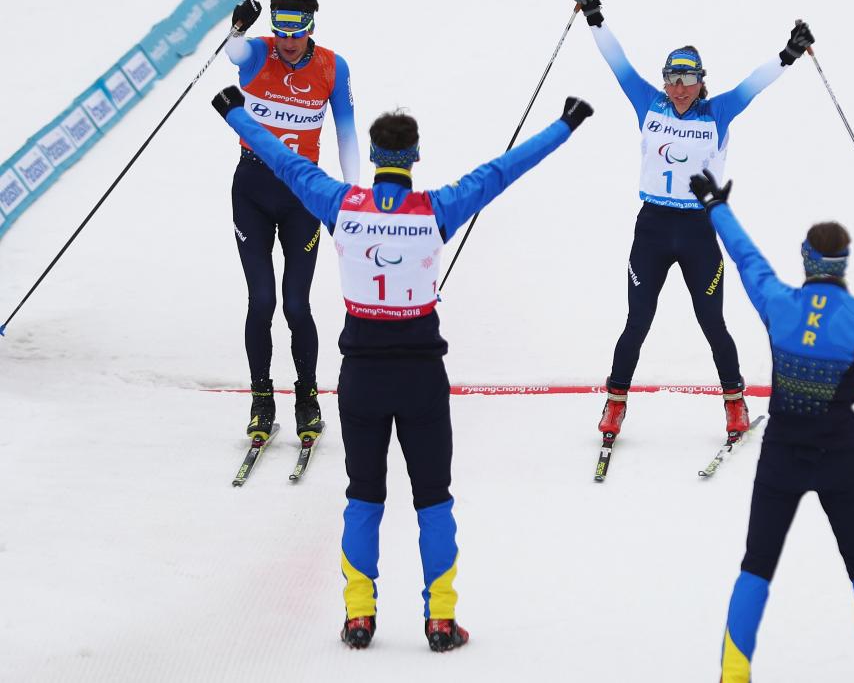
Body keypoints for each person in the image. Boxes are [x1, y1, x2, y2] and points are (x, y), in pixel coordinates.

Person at [211, 84, 593, 651]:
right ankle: (440, 619)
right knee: (433, 497)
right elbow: (502, 171)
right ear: (414, 157)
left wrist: (236, 113)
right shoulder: (436, 208)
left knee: (364, 495)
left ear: (372, 157)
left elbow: (283, 160)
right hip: (421, 379)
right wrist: (564, 126)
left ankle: (358, 617)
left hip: (361, 377)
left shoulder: (341, 204)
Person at [571, 0, 815, 440]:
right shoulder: (649, 103)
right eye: (672, 78)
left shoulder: (717, 112)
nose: (679, 88)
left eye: (687, 79)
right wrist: (594, 15)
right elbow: (616, 62)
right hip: (654, 227)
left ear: (702, 82)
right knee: (637, 321)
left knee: (711, 322)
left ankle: (735, 403)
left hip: (700, 230)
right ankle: (615, 404)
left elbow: (753, 86)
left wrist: (788, 55)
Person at [690, 171, 854, 683]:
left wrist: (717, 207)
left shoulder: (778, 304)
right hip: (840, 457)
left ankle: (734, 674)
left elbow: (746, 257)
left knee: (757, 563)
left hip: (782, 454)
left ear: (805, 260)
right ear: (843, 264)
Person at [225, 0, 360, 441]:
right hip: (253, 188)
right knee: (261, 301)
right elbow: (233, 53)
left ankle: (307, 395)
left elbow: (346, 136)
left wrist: (351, 196)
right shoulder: (257, 53)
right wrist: (237, 27)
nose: (286, 39)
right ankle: (261, 397)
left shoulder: (331, 67)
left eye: (295, 30)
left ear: (310, 28)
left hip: (304, 193)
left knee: (297, 304)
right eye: (279, 28)